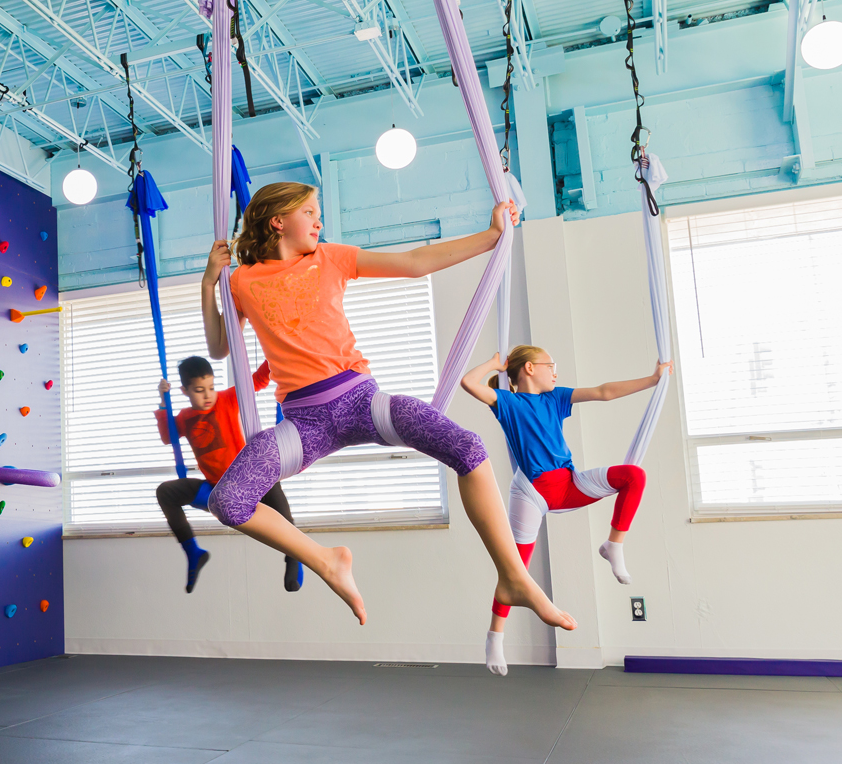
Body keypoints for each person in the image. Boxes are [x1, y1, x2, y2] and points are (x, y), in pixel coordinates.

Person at [200, 181, 577, 632]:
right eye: (310, 211)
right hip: (304, 422)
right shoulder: (242, 281)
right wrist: (209, 284)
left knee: (469, 448)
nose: (320, 220)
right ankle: (325, 560)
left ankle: (514, 576)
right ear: (278, 220)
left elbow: (414, 263)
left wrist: (492, 236)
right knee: (227, 500)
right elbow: (221, 347)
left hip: (361, 401)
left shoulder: (330, 258)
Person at [460, 345, 672, 676]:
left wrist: (653, 379)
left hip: (569, 484)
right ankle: (494, 637)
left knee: (634, 476)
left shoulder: (556, 398)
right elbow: (469, 383)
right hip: (531, 493)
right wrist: (493, 364)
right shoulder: (509, 403)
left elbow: (604, 392)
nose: (555, 371)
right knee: (516, 571)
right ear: (530, 368)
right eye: (550, 365)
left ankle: (613, 545)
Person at [154, 356, 302, 594]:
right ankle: (193, 552)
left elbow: (258, 380)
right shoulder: (184, 418)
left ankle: (294, 556)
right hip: (217, 491)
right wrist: (163, 402)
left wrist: (274, 355)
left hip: (248, 481)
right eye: (199, 390)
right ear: (185, 391)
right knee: (165, 492)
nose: (207, 395)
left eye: (211, 387)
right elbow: (167, 436)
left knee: (271, 478)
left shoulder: (227, 399)